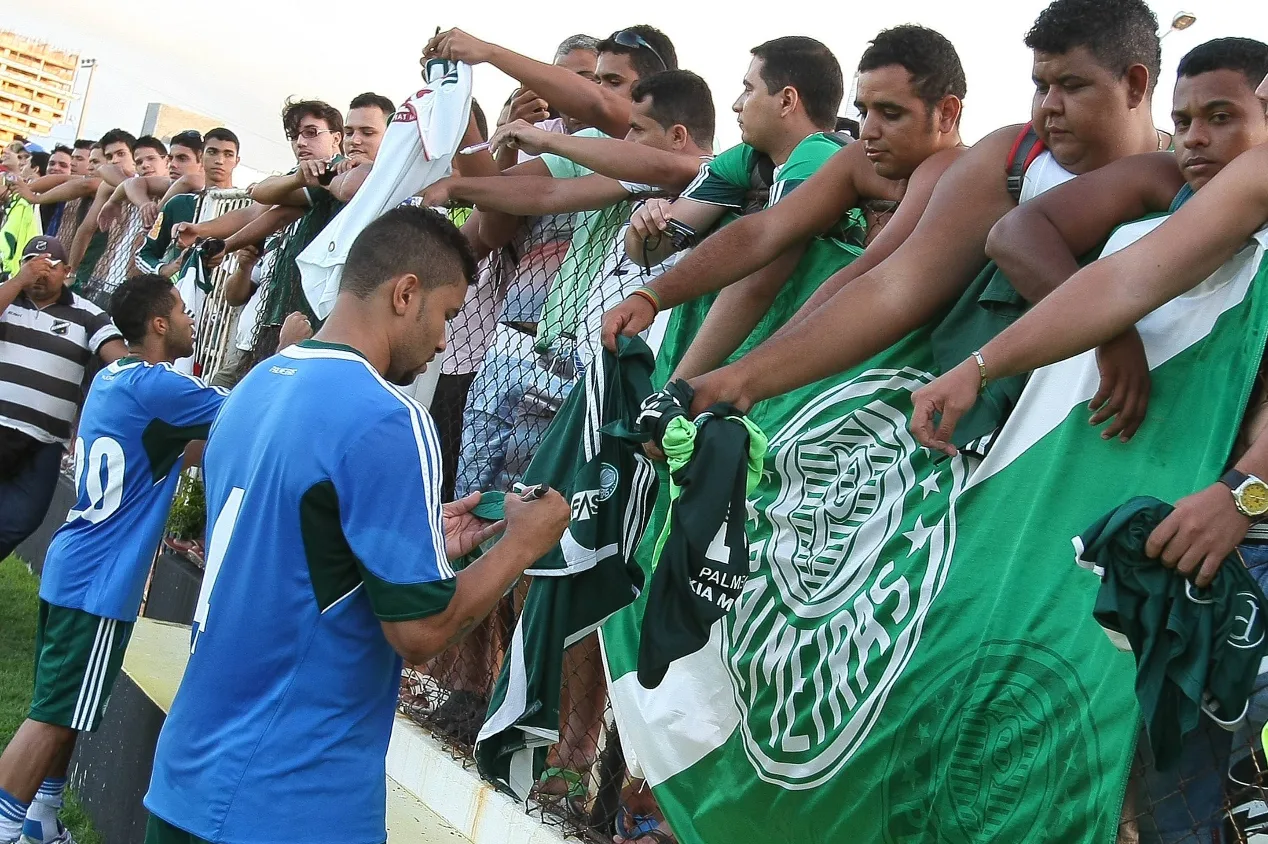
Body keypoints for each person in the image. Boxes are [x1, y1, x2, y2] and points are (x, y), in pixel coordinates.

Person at [142, 206, 570, 844]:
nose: (446, 342)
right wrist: (522, 545)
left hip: (187, 775)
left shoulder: (258, 384)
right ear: (406, 294)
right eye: (449, 315)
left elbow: (297, 554)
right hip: (294, 799)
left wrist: (430, 548)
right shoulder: (390, 417)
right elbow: (422, 632)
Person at [677, 0, 1166, 425]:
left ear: (1135, 85)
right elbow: (892, 285)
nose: (1049, 106)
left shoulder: (1194, 181)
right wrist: (742, 378)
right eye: (1040, 85)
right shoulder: (1013, 156)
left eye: (1072, 86)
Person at [0, 275, 220, 844]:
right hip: (99, 581)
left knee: (63, 708)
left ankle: (41, 825)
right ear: (159, 324)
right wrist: (291, 346)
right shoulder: (158, 387)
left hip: (72, 564)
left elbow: (189, 446)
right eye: (182, 308)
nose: (192, 316)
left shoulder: (114, 380)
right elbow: (245, 414)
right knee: (52, 715)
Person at [0, 237, 126, 567]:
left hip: (45, 441)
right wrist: (18, 281)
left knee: (22, 519)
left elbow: (116, 358)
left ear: (67, 271)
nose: (40, 272)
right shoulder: (8, 297)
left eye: (51, 266)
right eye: (32, 263)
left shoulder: (87, 314)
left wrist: (133, 374)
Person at [426, 25, 676, 140]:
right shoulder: (565, 138)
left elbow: (598, 104)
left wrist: (489, 52)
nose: (596, 91)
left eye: (613, 81)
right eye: (597, 81)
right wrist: (452, 91)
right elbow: (491, 201)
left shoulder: (666, 141)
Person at [135, 129, 241, 278]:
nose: (219, 160)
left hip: (222, 298)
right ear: (201, 157)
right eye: (212, 152)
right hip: (176, 296)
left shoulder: (246, 207)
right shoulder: (178, 204)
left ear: (237, 161)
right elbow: (143, 254)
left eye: (228, 154)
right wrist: (164, 269)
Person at [344, 92, 394, 165]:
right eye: (349, 133)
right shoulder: (335, 174)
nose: (354, 140)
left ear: (390, 135)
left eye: (367, 133)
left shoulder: (409, 174)